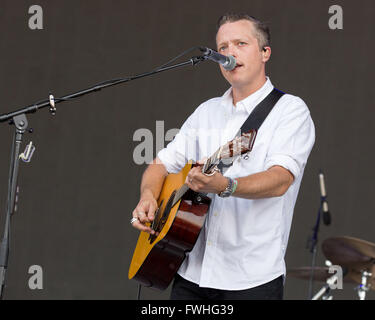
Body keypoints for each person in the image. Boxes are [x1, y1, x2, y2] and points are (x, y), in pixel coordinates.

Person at [130, 13, 315, 300]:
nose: (229, 53)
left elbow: (280, 180)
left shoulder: (290, 111)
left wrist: (225, 186)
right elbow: (160, 165)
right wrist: (148, 196)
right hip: (190, 272)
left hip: (251, 280)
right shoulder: (207, 111)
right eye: (223, 47)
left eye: (241, 43)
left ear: (265, 52)